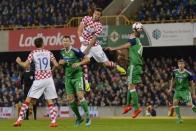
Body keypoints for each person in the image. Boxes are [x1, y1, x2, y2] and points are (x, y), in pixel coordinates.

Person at [77, 7, 126, 92]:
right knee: (84, 61)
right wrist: (82, 40)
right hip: (84, 44)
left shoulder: (99, 26)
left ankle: (117, 67)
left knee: (106, 63)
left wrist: (87, 49)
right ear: (93, 13)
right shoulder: (86, 18)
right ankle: (86, 82)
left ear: (100, 16)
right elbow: (79, 30)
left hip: (95, 46)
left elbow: (93, 40)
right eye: (95, 13)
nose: (96, 16)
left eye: (98, 15)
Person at [13, 37, 59, 127]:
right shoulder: (49, 52)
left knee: (27, 100)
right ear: (43, 44)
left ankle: (19, 120)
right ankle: (53, 122)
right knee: (49, 100)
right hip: (49, 79)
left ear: (35, 45)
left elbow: (25, 65)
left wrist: (19, 61)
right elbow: (56, 65)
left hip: (39, 80)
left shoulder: (33, 53)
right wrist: (51, 70)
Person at [106, 22, 143, 118]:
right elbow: (129, 55)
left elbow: (125, 46)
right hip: (136, 65)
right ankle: (128, 106)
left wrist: (113, 48)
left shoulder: (134, 39)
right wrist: (122, 56)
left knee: (132, 87)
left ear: (134, 31)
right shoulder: (138, 42)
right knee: (130, 87)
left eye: (131, 34)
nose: (130, 36)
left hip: (134, 66)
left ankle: (136, 108)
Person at [59, 35, 91, 127]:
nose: (65, 42)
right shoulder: (61, 52)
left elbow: (87, 59)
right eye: (63, 41)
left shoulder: (76, 51)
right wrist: (61, 63)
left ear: (70, 42)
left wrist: (79, 63)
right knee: (70, 99)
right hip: (68, 78)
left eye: (66, 41)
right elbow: (62, 63)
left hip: (77, 76)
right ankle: (79, 118)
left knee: (80, 96)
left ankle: (88, 117)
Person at [168, 59, 196, 124]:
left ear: (184, 65)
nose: (180, 65)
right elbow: (172, 80)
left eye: (182, 64)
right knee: (175, 103)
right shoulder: (174, 72)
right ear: (178, 65)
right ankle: (179, 118)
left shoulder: (188, 73)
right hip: (177, 91)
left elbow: (192, 84)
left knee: (189, 104)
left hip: (185, 91)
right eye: (179, 64)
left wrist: (193, 94)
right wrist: (170, 88)